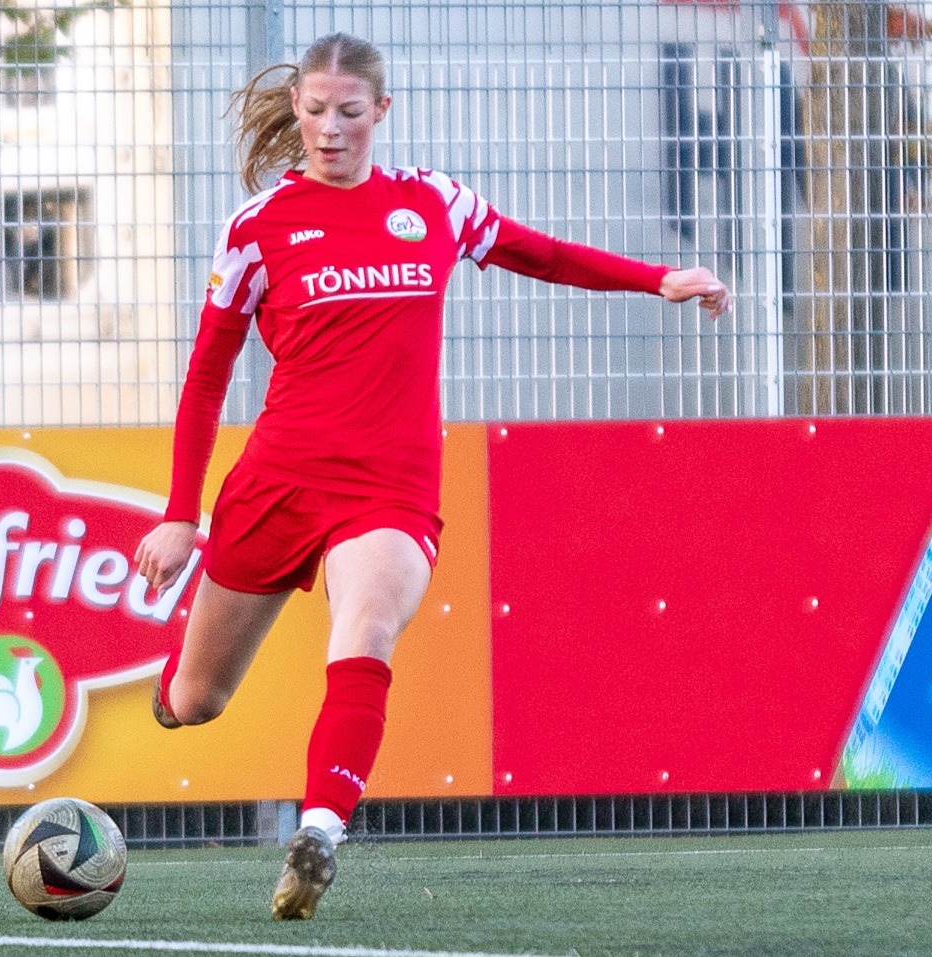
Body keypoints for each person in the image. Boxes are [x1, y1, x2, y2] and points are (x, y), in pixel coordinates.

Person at [134, 32, 730, 921]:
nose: (330, 129)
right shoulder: (258, 226)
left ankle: (319, 832)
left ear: (382, 111)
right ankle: (173, 696)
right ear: (296, 109)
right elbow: (207, 371)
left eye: (349, 112)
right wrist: (181, 514)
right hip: (278, 481)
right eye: (314, 111)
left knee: (367, 629)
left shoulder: (432, 202)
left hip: (390, 486)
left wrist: (658, 279)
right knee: (197, 698)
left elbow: (541, 253)